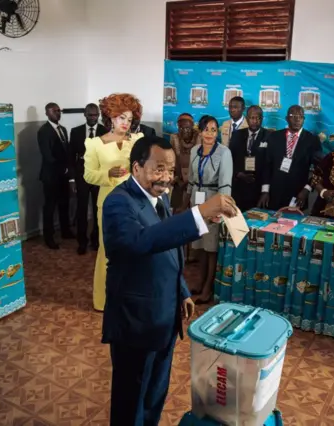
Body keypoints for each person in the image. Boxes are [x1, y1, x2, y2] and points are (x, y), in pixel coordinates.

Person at [101, 136, 237, 426]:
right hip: (135, 322)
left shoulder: (159, 198)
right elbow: (141, 242)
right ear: (136, 168)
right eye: (159, 168)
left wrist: (182, 290)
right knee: (131, 399)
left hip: (165, 316)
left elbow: (168, 250)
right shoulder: (118, 203)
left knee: (154, 393)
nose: (166, 178)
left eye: (171, 170)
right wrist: (198, 214)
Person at [84, 93, 144, 312]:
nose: (125, 123)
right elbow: (88, 176)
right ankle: (103, 300)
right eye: (121, 118)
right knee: (107, 251)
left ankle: (130, 297)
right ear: (110, 117)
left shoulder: (137, 141)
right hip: (108, 203)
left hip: (134, 202)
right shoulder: (94, 144)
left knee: (134, 249)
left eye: (129, 119)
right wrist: (107, 173)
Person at [183, 115, 233, 303]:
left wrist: (221, 208)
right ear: (200, 131)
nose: (210, 133)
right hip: (197, 200)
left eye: (213, 129)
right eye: (206, 129)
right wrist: (185, 203)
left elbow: (226, 184)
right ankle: (200, 282)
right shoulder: (195, 150)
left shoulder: (224, 152)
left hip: (214, 201)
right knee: (200, 246)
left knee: (211, 248)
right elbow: (190, 180)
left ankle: (208, 289)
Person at [258, 105, 322, 211]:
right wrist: (265, 191)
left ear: (304, 119)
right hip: (274, 193)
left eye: (300, 116)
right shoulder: (274, 137)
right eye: (293, 116)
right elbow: (267, 165)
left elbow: (319, 170)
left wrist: (306, 190)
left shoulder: (312, 140)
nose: (297, 119)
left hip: (298, 194)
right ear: (287, 118)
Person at [69, 103, 108, 255]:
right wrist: (71, 179)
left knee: (98, 209)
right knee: (82, 210)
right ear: (85, 114)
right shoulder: (76, 132)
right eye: (90, 115)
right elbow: (70, 157)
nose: (93, 118)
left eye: (95, 115)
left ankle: (96, 241)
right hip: (81, 176)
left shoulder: (105, 131)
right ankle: (82, 242)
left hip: (99, 176)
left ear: (98, 115)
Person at [37, 102, 74, 250]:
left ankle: (65, 231)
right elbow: (47, 156)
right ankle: (49, 237)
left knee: (64, 204)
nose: (58, 113)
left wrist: (68, 170)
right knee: (50, 207)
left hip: (63, 175)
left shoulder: (63, 130)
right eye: (54, 111)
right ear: (47, 113)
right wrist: (63, 169)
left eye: (59, 111)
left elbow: (66, 152)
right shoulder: (43, 131)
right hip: (51, 176)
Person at [229, 105, 270, 212]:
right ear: (247, 118)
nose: (255, 121)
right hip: (239, 188)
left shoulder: (270, 136)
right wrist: (238, 174)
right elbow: (230, 159)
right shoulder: (236, 135)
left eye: (258, 118)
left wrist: (265, 191)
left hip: (258, 188)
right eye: (252, 118)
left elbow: (270, 164)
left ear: (262, 119)